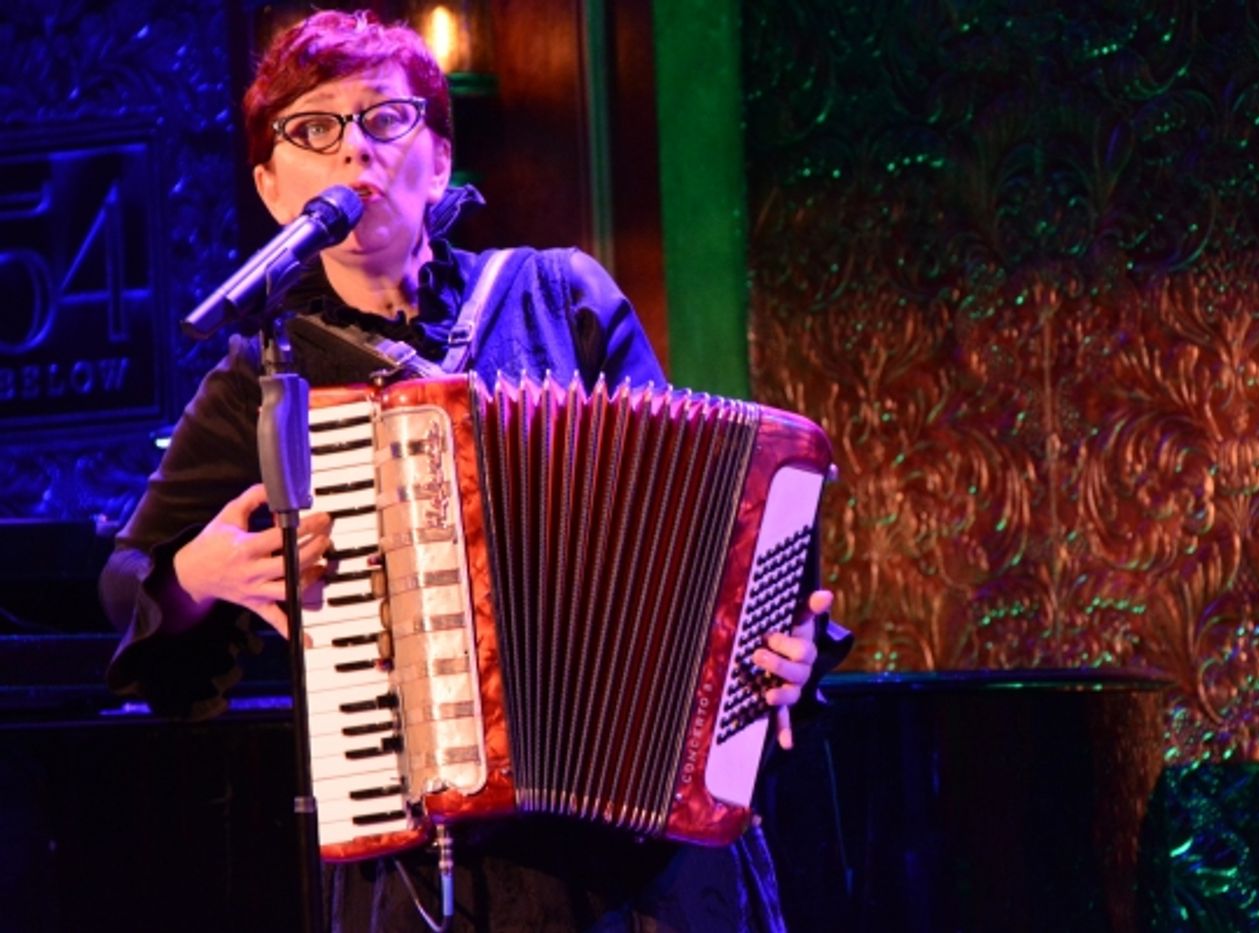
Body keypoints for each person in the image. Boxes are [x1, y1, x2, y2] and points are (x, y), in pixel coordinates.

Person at [100, 9, 847, 932]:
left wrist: (778, 651)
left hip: (640, 861)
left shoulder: (560, 296)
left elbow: (705, 536)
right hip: (431, 871)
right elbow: (127, 580)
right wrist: (197, 576)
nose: (354, 150)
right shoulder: (264, 377)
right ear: (270, 186)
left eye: (385, 118)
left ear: (440, 160)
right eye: (313, 128)